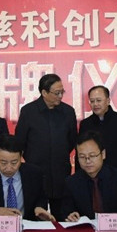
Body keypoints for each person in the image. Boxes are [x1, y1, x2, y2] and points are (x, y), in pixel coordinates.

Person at [15, 74, 77, 215]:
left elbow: (72, 140)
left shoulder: (68, 112)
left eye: (62, 92)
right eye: (56, 93)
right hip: (36, 172)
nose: (60, 96)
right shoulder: (28, 111)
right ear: (44, 92)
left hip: (61, 172)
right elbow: (20, 141)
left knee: (61, 215)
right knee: (36, 214)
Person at [61, 131, 117, 225]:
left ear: (103, 154)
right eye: (82, 157)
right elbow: (66, 211)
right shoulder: (72, 182)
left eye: (92, 156)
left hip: (116, 230)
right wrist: (70, 215)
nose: (87, 161)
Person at [78, 85, 117, 179]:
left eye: (99, 100)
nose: (95, 104)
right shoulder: (85, 124)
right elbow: (80, 152)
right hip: (92, 178)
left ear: (108, 101)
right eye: (92, 101)